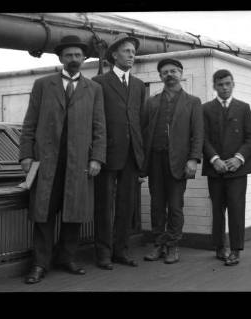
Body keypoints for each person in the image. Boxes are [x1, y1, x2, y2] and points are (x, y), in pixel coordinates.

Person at [19, 35, 106, 284]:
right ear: (60, 58)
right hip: (46, 162)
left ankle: (67, 258)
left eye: (78, 55)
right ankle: (40, 264)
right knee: (43, 215)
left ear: (84, 58)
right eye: (69, 55)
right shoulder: (43, 85)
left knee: (74, 213)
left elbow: (100, 127)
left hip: (78, 163)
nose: (74, 59)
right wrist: (25, 154)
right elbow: (30, 123)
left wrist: (97, 159)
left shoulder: (94, 89)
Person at [91, 33, 146, 270]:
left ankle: (121, 250)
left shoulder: (138, 85)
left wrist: (141, 156)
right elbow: (95, 120)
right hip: (108, 153)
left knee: (126, 205)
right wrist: (96, 153)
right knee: (104, 205)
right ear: (114, 55)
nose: (132, 56)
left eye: (134, 52)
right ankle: (103, 253)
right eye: (127, 51)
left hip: (131, 155)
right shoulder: (99, 82)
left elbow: (140, 121)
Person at [142, 58, 204, 264]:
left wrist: (193, 159)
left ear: (181, 73)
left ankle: (173, 246)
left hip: (179, 162)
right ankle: (158, 244)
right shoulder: (151, 101)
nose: (169, 75)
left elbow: (198, 133)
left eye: (173, 71)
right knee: (157, 205)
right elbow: (144, 132)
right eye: (165, 72)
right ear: (160, 77)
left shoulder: (193, 102)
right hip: (155, 161)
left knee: (175, 206)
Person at [202, 69, 251, 266]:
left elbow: (250, 138)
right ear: (214, 86)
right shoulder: (205, 108)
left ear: (233, 84)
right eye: (220, 84)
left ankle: (235, 250)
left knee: (236, 208)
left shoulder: (243, 108)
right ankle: (219, 247)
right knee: (217, 208)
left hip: (237, 170)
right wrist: (214, 159)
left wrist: (238, 158)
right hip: (215, 169)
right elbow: (203, 138)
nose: (224, 88)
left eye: (227, 84)